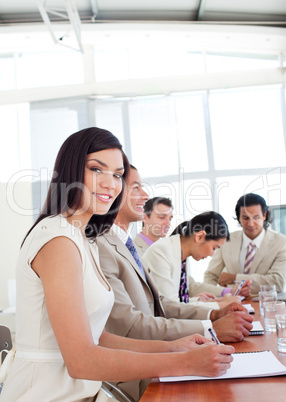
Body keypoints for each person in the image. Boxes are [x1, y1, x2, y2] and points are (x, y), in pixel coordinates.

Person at [0, 128, 235, 402]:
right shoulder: (58, 241)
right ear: (70, 171)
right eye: (96, 169)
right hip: (49, 394)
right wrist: (185, 362)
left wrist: (173, 348)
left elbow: (98, 337)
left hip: (82, 391)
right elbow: (81, 361)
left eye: (117, 175)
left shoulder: (81, 239)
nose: (111, 184)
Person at [97, 165, 253, 399]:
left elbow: (161, 303)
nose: (146, 196)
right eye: (136, 186)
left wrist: (215, 314)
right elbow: (136, 322)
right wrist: (209, 327)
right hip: (137, 368)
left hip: (154, 354)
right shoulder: (107, 245)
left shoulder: (126, 244)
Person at [142, 212, 252, 305]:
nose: (211, 254)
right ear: (199, 237)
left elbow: (189, 288)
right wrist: (219, 305)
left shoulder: (180, 253)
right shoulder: (161, 252)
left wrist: (210, 301)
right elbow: (170, 307)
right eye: (214, 248)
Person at [204, 193, 286, 295]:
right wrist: (211, 298)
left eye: (256, 217)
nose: (251, 224)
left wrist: (235, 278)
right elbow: (211, 275)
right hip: (232, 304)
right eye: (245, 218)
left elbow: (277, 282)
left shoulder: (281, 242)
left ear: (264, 215)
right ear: (238, 218)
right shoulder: (227, 240)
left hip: (266, 303)